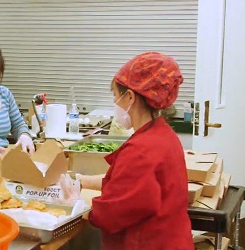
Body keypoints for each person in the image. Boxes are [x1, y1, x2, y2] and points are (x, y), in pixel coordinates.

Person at [65, 52, 193, 249]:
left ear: (130, 97)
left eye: (116, 96)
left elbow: (111, 214)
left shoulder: (141, 150)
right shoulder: (163, 135)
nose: (115, 103)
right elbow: (126, 184)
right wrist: (78, 180)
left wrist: (77, 204)